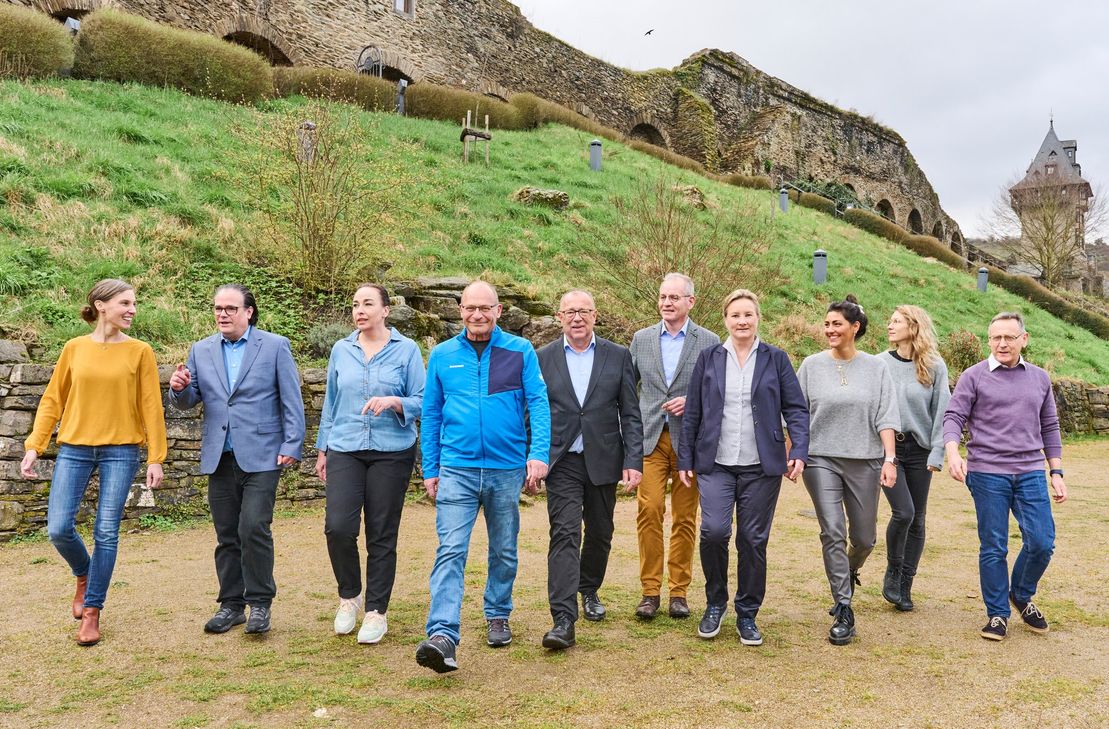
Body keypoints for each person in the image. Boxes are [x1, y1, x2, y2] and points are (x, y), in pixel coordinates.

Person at [21, 279, 167, 646]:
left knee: (105, 532)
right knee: (58, 528)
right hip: (74, 448)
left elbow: (151, 406)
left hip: (122, 450)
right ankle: (84, 573)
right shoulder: (74, 349)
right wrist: (35, 445)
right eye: (125, 303)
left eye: (134, 303)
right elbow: (53, 400)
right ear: (101, 306)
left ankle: (92, 611)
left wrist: (156, 457)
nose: (133, 309)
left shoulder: (140, 352)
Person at [415, 281, 551, 673]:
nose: (477, 314)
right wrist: (432, 468)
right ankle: (443, 634)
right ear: (460, 310)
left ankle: (497, 614)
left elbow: (539, 405)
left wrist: (537, 454)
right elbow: (433, 413)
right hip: (456, 468)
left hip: (506, 469)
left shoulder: (520, 351)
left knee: (504, 549)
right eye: (470, 307)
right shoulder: (442, 355)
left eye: (485, 308)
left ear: (499, 310)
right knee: (451, 550)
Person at [169, 284, 305, 636]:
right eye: (217, 308)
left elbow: (291, 398)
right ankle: (231, 605)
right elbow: (188, 401)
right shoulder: (201, 350)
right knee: (227, 533)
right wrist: (180, 387)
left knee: (253, 527)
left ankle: (260, 604)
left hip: (262, 454)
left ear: (249, 312)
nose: (222, 314)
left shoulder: (274, 346)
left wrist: (293, 442)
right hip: (220, 455)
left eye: (230, 308)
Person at [678, 289, 808, 645]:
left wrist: (798, 449)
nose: (742, 321)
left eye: (748, 314)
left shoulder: (776, 359)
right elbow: (693, 413)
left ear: (757, 318)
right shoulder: (708, 358)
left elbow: (796, 408)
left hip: (761, 467)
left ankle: (748, 613)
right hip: (715, 463)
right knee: (715, 531)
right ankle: (715, 604)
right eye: (735, 315)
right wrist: (685, 458)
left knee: (753, 540)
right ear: (725, 319)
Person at [943, 311, 1067, 641]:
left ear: (1023, 339)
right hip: (986, 473)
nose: (1001, 343)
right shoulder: (974, 376)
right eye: (995, 337)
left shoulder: (1040, 378)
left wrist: (1056, 471)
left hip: (1029, 472)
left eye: (1009, 337)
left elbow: (1050, 427)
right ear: (989, 340)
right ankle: (997, 614)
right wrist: (953, 452)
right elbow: (954, 416)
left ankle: (1021, 594)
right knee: (994, 546)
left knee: (1042, 542)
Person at [314, 283, 424, 644]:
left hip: (392, 451)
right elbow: (330, 402)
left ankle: (377, 611)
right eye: (355, 305)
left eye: (367, 304)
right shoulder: (341, 350)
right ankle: (350, 597)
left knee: (381, 533)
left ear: (385, 311)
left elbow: (424, 400)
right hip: (345, 446)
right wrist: (322, 449)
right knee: (338, 528)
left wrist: (395, 401)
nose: (359, 310)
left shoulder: (406, 350)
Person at [536, 289, 643, 650]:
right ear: (560, 317)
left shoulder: (618, 355)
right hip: (562, 460)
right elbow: (532, 412)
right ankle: (563, 619)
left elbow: (630, 411)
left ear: (595, 316)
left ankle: (589, 588)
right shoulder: (543, 358)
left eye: (584, 311)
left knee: (600, 532)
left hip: (604, 459)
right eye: (570, 312)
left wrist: (633, 460)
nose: (577, 318)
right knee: (564, 534)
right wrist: (532, 456)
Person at [796, 295, 899, 645]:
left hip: (865, 460)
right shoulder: (810, 366)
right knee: (832, 530)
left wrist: (889, 458)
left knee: (865, 538)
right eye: (826, 324)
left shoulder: (877, 367)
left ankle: (850, 568)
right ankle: (843, 605)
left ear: (855, 328)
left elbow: (886, 415)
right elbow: (796, 414)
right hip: (819, 457)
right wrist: (791, 451)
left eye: (836, 324)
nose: (829, 330)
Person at [628, 273, 720, 620]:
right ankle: (650, 591)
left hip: (691, 443)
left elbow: (720, 393)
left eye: (674, 298)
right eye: (663, 297)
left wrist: (692, 402)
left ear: (690, 302)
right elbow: (627, 389)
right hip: (650, 439)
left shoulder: (709, 342)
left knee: (685, 517)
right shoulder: (641, 339)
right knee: (649, 511)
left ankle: (678, 592)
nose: (667, 303)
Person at [880, 305, 950, 612]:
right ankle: (893, 570)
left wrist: (938, 451)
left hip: (920, 451)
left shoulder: (935, 366)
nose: (890, 325)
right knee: (904, 512)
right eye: (890, 321)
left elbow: (942, 412)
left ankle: (905, 584)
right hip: (889, 451)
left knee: (918, 518)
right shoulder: (879, 363)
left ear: (914, 326)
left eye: (896, 321)